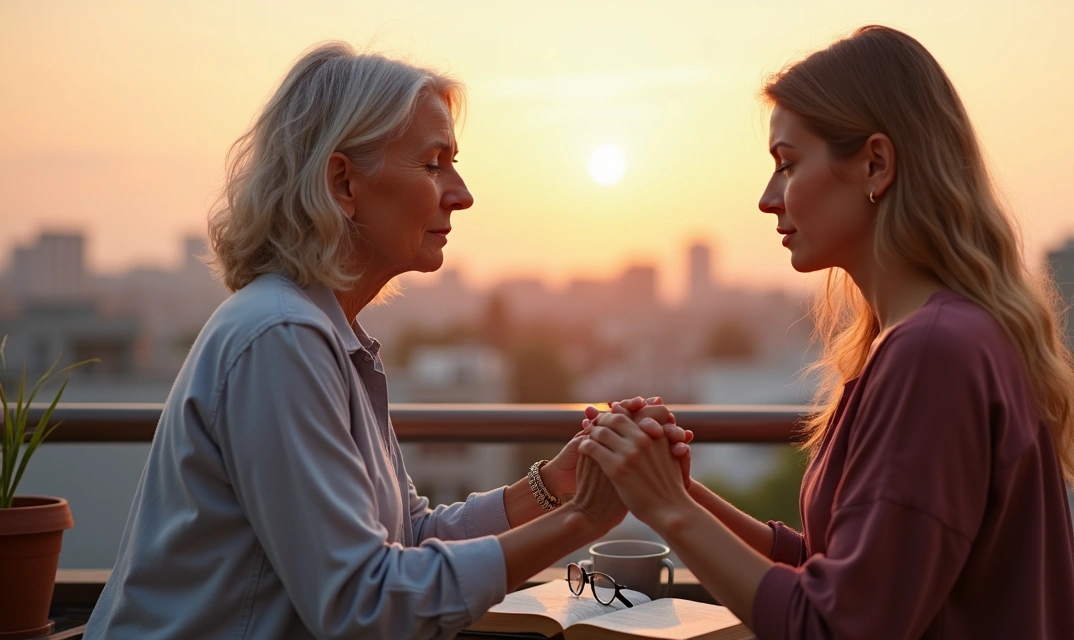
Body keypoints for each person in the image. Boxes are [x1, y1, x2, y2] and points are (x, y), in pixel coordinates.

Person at [84, 42, 688, 639]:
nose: (462, 192)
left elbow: (410, 537)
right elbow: (361, 605)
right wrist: (584, 519)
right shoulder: (281, 339)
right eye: (433, 164)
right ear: (343, 183)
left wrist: (556, 485)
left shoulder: (323, 333)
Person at [580, 25, 1074, 639]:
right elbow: (835, 571)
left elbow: (834, 624)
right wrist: (679, 494)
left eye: (787, 165)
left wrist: (667, 509)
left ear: (875, 163)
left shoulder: (933, 355)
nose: (769, 199)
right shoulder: (930, 337)